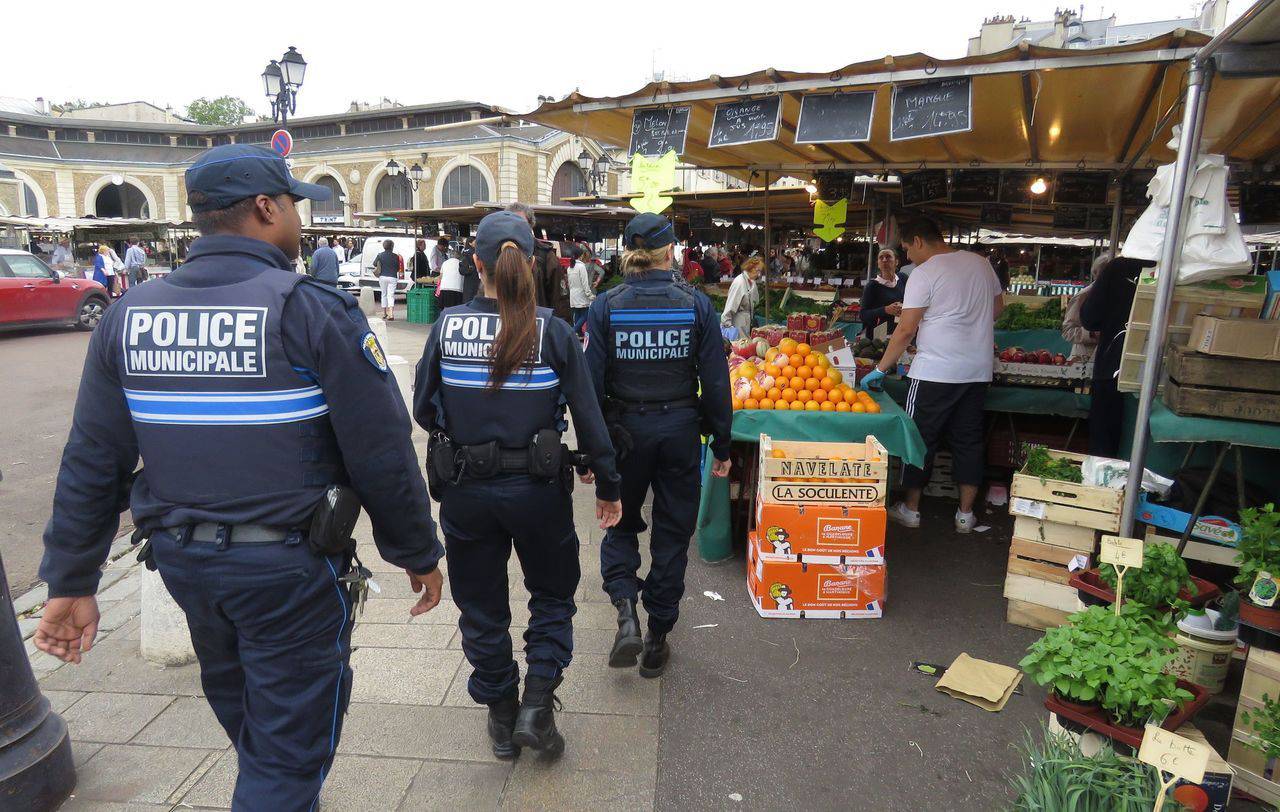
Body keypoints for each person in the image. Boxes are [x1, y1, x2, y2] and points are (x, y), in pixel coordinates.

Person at [33, 143, 445, 807]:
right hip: (288, 577)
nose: (300, 223)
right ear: (265, 208)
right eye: (293, 207)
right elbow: (382, 451)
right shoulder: (311, 309)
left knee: (257, 730)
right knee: (285, 756)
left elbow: (92, 458)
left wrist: (72, 578)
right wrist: (416, 551)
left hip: (186, 569)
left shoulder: (127, 317)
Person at [413, 210, 622, 760]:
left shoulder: (446, 326)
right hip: (538, 493)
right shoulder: (551, 330)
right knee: (552, 595)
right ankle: (537, 706)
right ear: (531, 261)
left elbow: (421, 407)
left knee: (481, 606)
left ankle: (503, 715)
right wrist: (608, 483)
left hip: (465, 493)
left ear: (475, 263)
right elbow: (589, 415)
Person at [584, 212, 733, 679]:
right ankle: (656, 638)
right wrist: (722, 444)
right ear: (671, 253)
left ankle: (626, 611)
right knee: (672, 533)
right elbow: (715, 381)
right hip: (680, 432)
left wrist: (592, 450)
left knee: (620, 524)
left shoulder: (606, 306)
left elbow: (589, 385)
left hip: (625, 434)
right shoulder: (696, 305)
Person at [861, 217, 1003, 534]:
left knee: (919, 438)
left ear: (920, 241)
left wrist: (880, 369)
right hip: (977, 371)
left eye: (908, 249)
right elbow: (997, 310)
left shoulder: (924, 273)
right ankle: (965, 515)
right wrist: (968, 327)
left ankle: (911, 509)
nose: (908, 257)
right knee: (969, 440)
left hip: (934, 372)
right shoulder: (981, 264)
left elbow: (906, 329)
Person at [1081, 256, 1151, 457]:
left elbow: (1090, 317)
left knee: (1105, 451)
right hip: (1157, 373)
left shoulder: (1119, 267)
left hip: (1113, 368)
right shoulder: (1179, 267)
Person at [506, 202, 571, 324]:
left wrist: (560, 336)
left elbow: (560, 303)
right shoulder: (496, 253)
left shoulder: (545, 256)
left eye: (521, 223)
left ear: (530, 225)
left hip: (537, 329)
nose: (516, 227)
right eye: (511, 223)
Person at [1061, 254, 1109, 360]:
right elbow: (1067, 331)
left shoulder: (1119, 295)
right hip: (1083, 359)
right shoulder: (1083, 296)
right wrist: (1092, 334)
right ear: (1096, 274)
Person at [860, 249, 908, 337]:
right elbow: (863, 315)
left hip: (902, 331)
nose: (884, 260)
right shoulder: (872, 286)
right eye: (881, 258)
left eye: (888, 257)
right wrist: (885, 310)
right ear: (878, 264)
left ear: (896, 262)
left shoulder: (903, 278)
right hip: (880, 337)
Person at [721, 255, 761, 338]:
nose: (759, 274)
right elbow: (730, 306)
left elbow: (756, 302)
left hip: (747, 323)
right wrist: (727, 326)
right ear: (750, 268)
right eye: (757, 270)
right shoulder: (739, 282)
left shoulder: (752, 282)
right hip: (738, 324)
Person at [568, 244, 594, 334]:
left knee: (578, 314)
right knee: (585, 315)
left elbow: (569, 283)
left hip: (573, 295)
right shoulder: (581, 267)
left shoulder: (570, 267)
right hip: (581, 294)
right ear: (581, 255)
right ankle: (573, 331)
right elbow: (585, 283)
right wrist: (590, 295)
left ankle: (579, 333)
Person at [373, 238, 401, 320]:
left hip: (382, 276)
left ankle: (384, 313)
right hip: (392, 276)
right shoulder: (396, 256)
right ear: (392, 246)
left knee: (384, 294)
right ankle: (391, 313)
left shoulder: (380, 255)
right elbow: (398, 268)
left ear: (384, 246)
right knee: (391, 295)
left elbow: (374, 264)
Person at [459, 235, 480, 303]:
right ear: (470, 243)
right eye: (475, 242)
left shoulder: (464, 253)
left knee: (468, 300)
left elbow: (461, 270)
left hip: (468, 281)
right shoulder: (473, 253)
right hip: (475, 278)